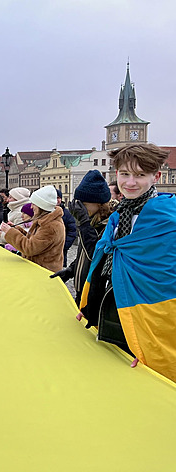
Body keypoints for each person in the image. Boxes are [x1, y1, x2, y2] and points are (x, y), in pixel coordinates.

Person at [79, 144, 176, 382]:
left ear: (157, 176)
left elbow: (166, 283)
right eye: (125, 174)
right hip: (112, 314)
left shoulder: (167, 219)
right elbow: (105, 263)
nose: (130, 182)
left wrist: (145, 342)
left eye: (140, 175)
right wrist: (89, 304)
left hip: (149, 322)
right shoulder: (117, 215)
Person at [50, 170, 113, 306]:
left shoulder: (108, 225)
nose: (80, 207)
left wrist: (83, 223)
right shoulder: (91, 221)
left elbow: (96, 255)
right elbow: (84, 253)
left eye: (83, 203)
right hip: (81, 291)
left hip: (95, 295)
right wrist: (71, 270)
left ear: (99, 203)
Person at [0, 185, 65, 272]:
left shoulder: (51, 226)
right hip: (38, 268)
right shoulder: (44, 219)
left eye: (34, 204)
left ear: (41, 206)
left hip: (43, 271)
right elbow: (34, 239)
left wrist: (10, 232)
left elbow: (30, 248)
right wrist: (17, 229)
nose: (31, 207)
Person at [55, 189, 77, 266]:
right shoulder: (45, 212)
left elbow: (72, 231)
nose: (57, 200)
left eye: (58, 197)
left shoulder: (67, 213)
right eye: (54, 197)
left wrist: (64, 246)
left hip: (61, 252)